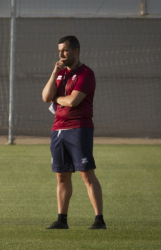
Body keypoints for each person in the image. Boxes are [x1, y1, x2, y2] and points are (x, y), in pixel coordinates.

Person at [42, 36, 106, 229]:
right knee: (62, 176)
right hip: (58, 130)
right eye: (59, 51)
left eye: (65, 51)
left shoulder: (86, 73)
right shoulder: (60, 74)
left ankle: (99, 220)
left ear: (76, 51)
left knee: (86, 174)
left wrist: (57, 99)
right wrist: (54, 73)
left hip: (79, 128)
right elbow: (46, 97)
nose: (61, 54)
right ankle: (62, 220)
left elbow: (73, 101)